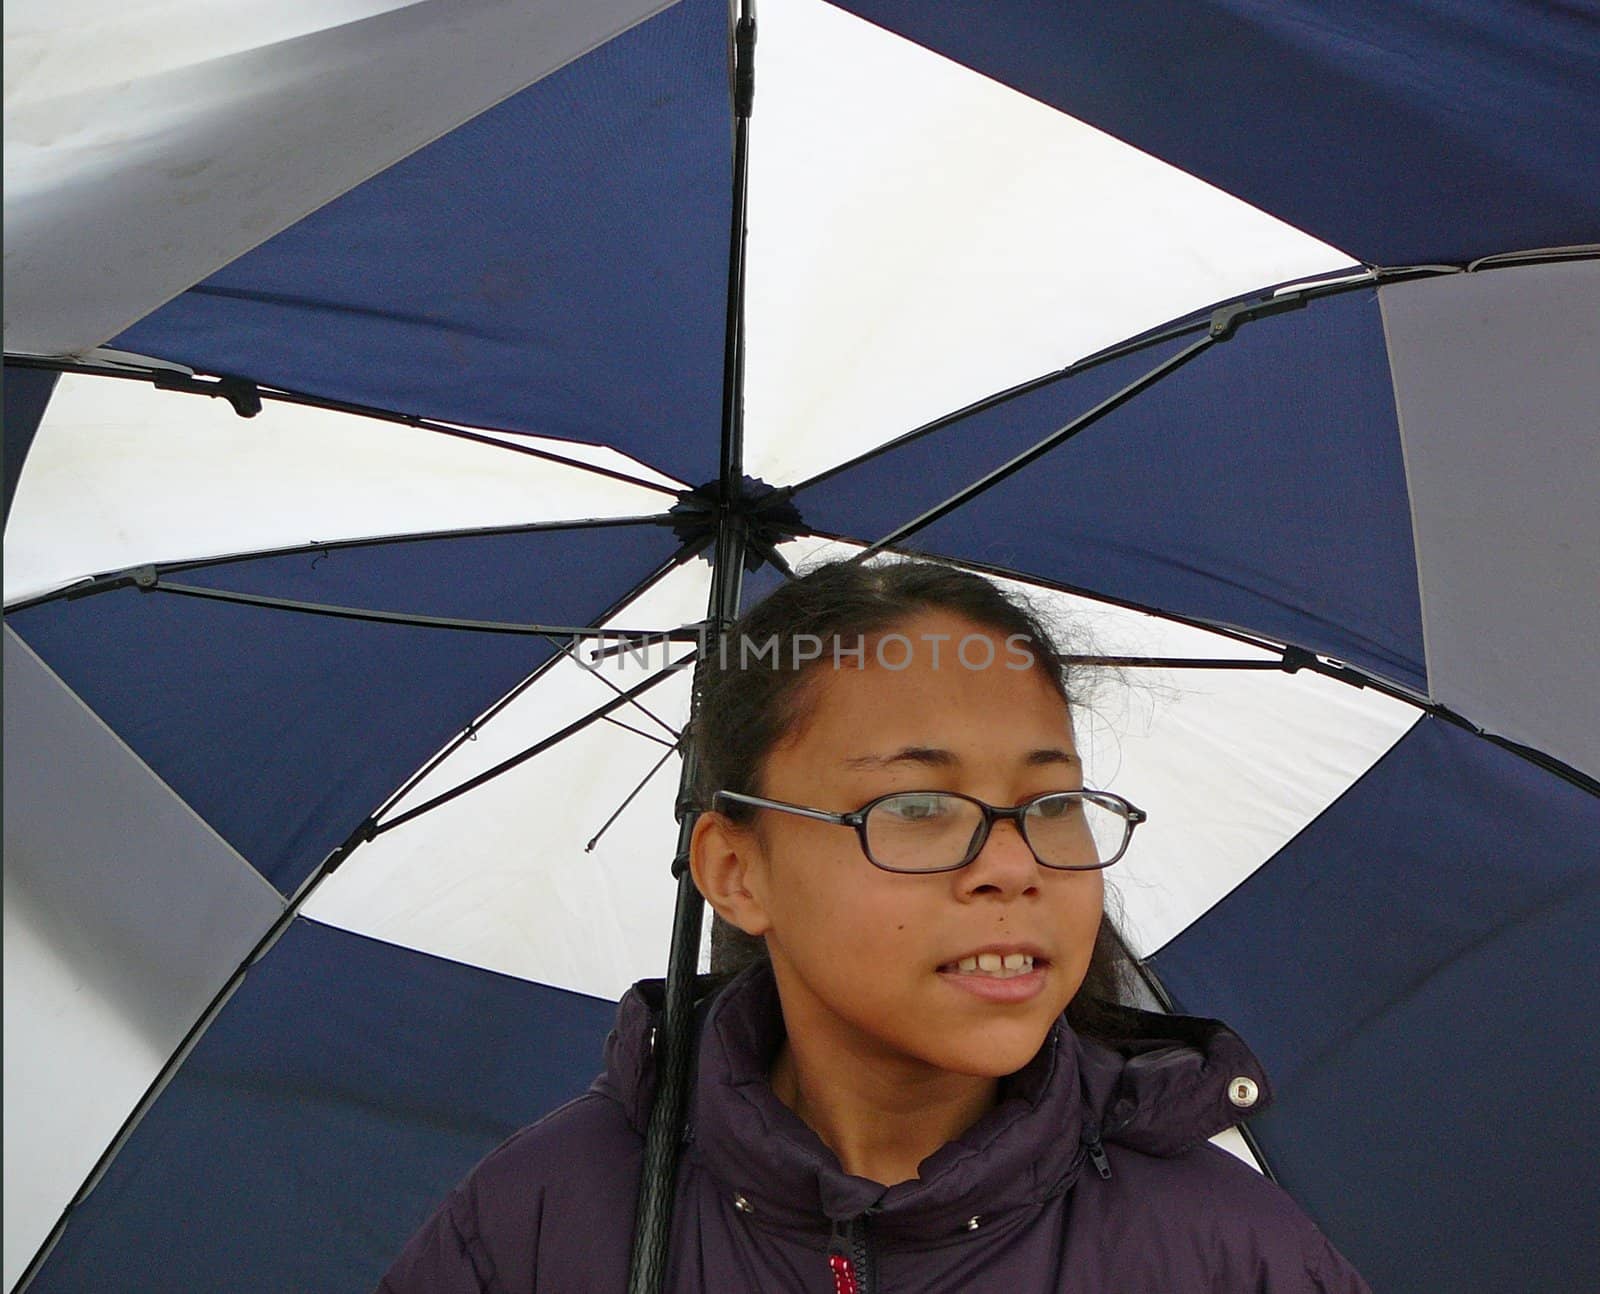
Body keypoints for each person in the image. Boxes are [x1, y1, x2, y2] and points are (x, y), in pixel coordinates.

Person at [379, 558, 1371, 1292]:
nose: (1014, 865)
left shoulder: (1226, 1258)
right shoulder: (547, 1222)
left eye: (1051, 801)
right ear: (735, 869)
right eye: (914, 807)